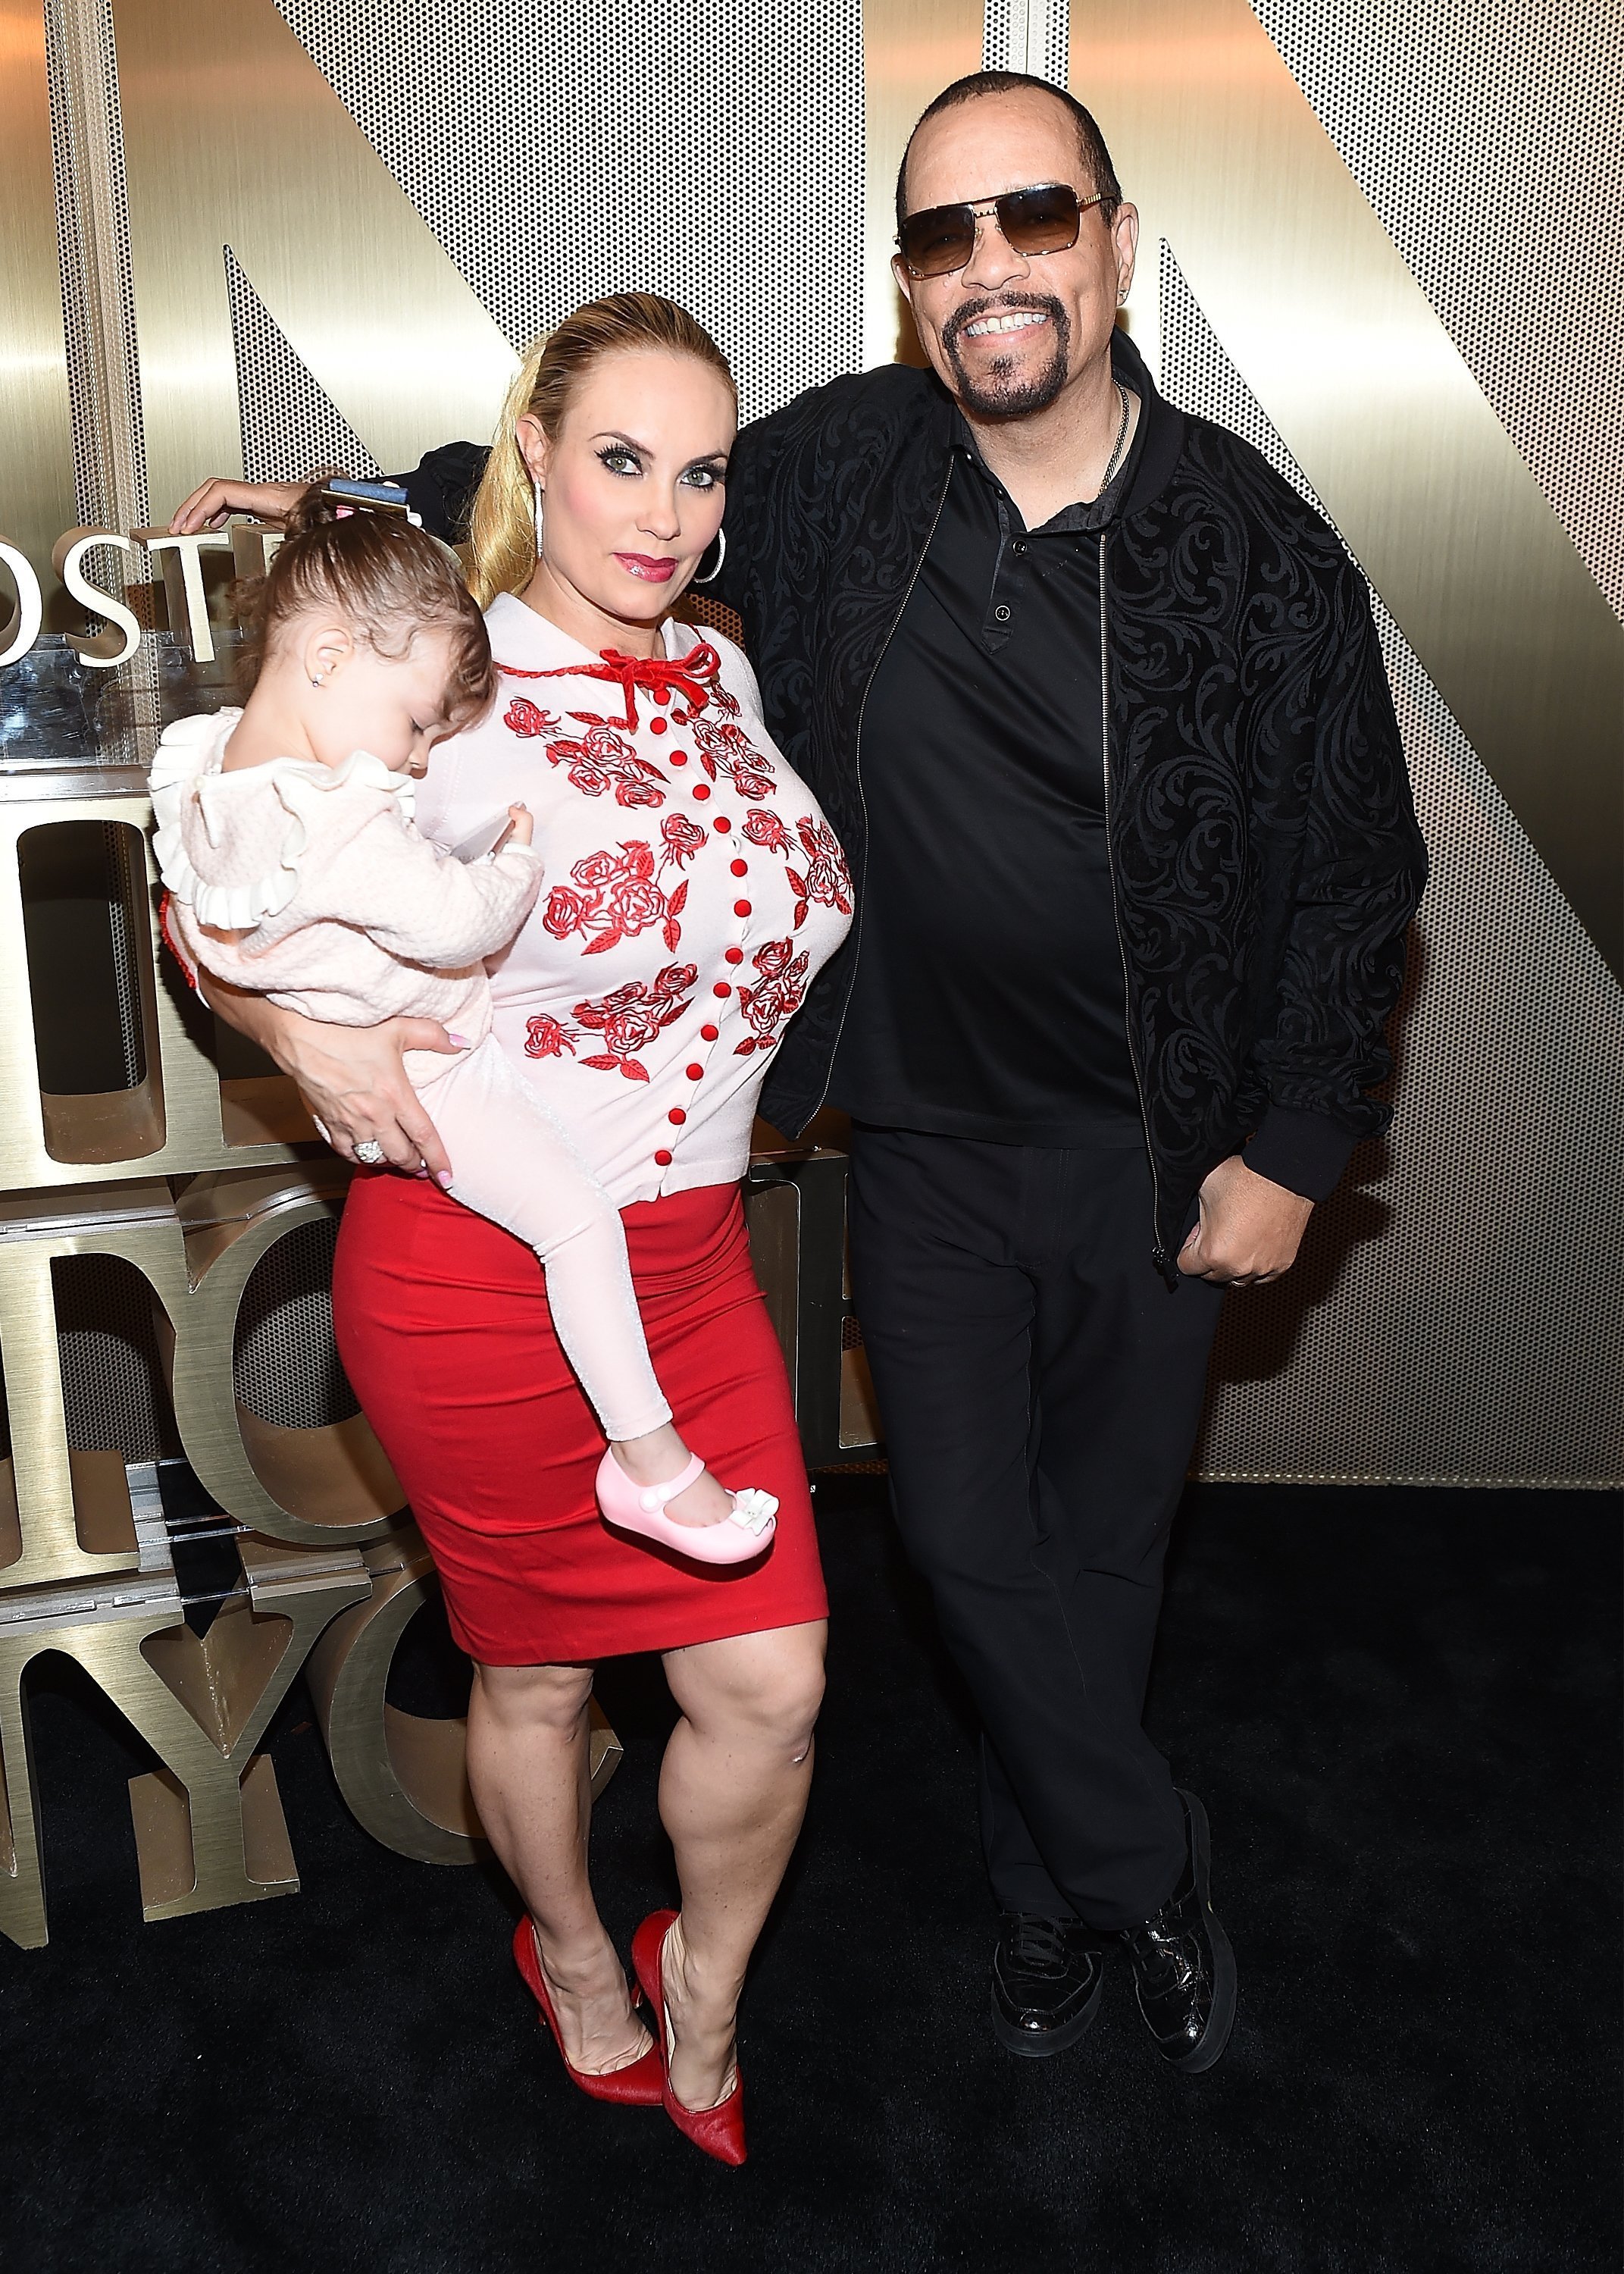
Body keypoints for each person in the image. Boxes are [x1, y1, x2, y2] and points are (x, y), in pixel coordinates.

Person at [174, 71, 1426, 2081]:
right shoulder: (843, 467)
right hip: (916, 1146)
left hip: (1161, 1156)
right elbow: (604, 480)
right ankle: (1145, 1866)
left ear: (1113, 242)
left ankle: (1044, 1902)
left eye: (1033, 219)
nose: (991, 268)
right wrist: (370, 512)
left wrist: (1295, 1139)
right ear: (913, 279)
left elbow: (1358, 867)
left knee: (1101, 1552)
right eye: (943, 237)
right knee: (957, 1544)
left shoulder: (1259, 546)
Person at [178, 293, 853, 2163]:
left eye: (698, 472)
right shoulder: (446, 679)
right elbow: (220, 862)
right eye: (619, 459)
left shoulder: (719, 667)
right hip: (480, 1272)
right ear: (531, 459)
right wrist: (289, 1020)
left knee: (774, 1685)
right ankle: (569, 1954)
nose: (660, 511)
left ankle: (705, 1977)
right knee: (537, 1672)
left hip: (694, 1265)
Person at [152, 495, 778, 1565]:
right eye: (415, 723)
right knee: (578, 1225)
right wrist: (515, 861)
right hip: (444, 1087)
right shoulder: (342, 820)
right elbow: (461, 921)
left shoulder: (202, 770)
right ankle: (652, 1465)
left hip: (481, 1115)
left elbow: (192, 918)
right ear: (329, 656)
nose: (416, 761)